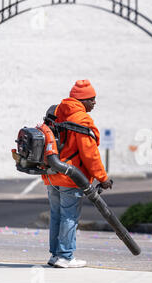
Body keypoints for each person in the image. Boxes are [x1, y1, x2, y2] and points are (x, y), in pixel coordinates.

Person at [42, 80, 113, 268]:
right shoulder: (82, 119)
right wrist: (103, 178)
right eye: (92, 99)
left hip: (51, 174)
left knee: (56, 214)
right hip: (70, 177)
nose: (95, 103)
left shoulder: (55, 111)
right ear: (83, 100)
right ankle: (65, 257)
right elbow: (90, 154)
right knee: (69, 216)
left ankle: (55, 255)